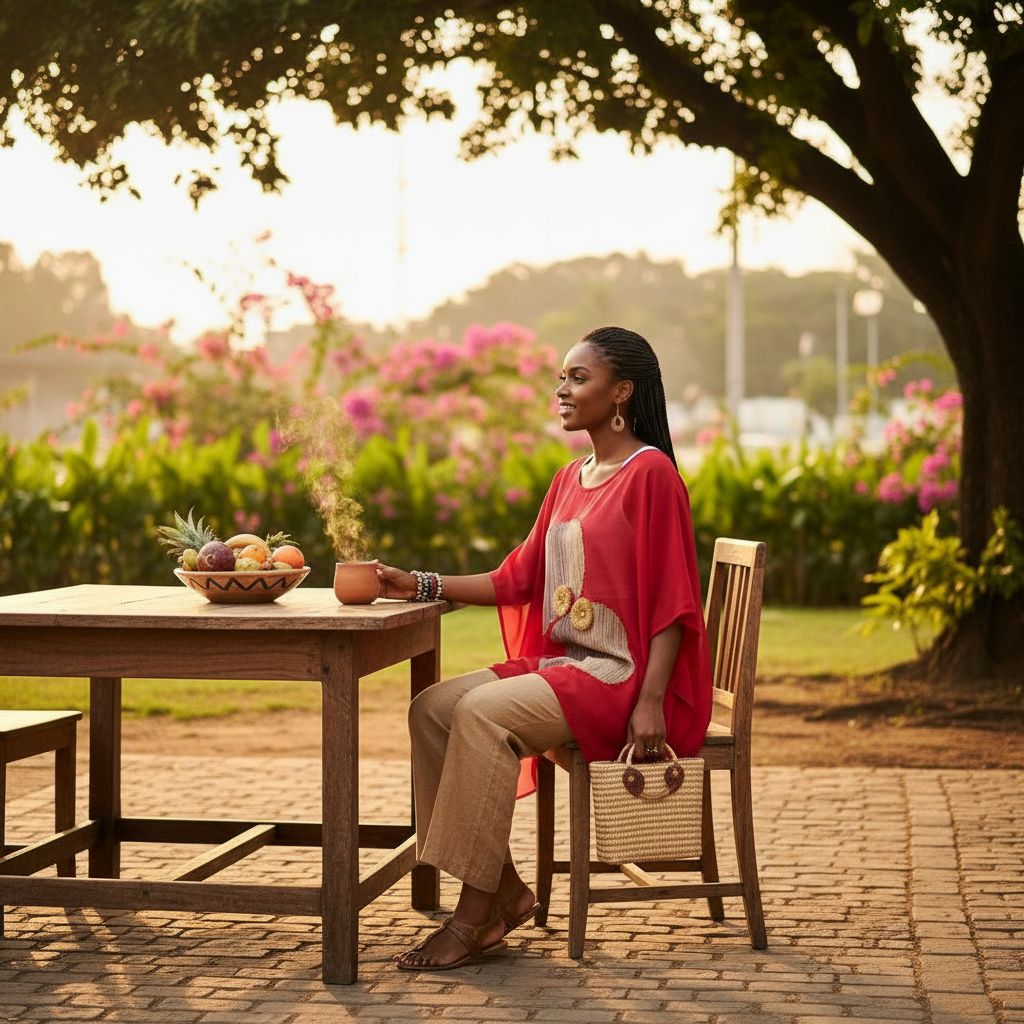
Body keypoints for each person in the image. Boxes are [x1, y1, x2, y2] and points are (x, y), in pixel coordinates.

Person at [375, 325, 713, 972]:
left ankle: (475, 919)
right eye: (561, 377)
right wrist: (416, 582)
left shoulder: (653, 476)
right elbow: (516, 579)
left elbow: (675, 603)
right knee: (431, 709)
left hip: (621, 678)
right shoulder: (569, 478)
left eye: (577, 378)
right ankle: (506, 890)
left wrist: (650, 701)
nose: (561, 389)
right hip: (565, 667)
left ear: (621, 392)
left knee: (483, 714)